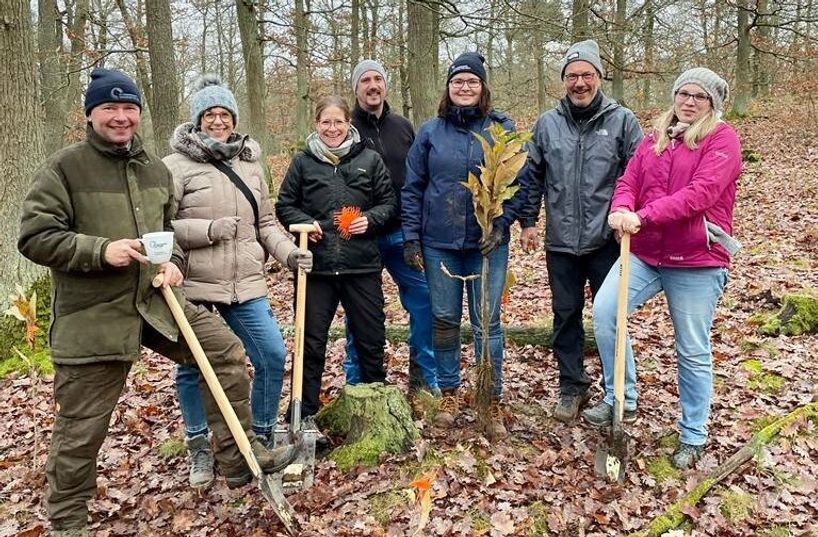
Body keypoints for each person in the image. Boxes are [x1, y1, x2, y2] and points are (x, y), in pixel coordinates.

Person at [17, 68, 296, 537]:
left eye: (129, 109)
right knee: (83, 425)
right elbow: (35, 236)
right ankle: (67, 522)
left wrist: (175, 263)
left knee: (223, 351)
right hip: (94, 310)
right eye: (110, 108)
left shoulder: (153, 169)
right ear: (91, 114)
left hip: (155, 295)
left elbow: (168, 231)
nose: (121, 117)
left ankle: (238, 457)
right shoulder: (65, 167)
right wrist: (100, 250)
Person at [581, 68, 742, 470]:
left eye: (699, 97)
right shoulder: (657, 137)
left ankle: (693, 433)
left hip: (697, 258)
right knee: (604, 312)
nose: (688, 102)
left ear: (712, 104)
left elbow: (700, 194)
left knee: (691, 346)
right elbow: (629, 179)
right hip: (645, 253)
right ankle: (621, 398)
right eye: (683, 94)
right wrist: (621, 206)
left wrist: (644, 216)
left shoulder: (723, 139)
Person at [163, 75, 312, 489]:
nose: (217, 121)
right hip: (194, 285)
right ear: (197, 120)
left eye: (224, 114)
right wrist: (208, 229)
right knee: (196, 367)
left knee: (270, 355)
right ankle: (199, 446)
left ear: (234, 118)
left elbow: (265, 222)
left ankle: (259, 435)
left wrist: (288, 253)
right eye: (209, 114)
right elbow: (161, 226)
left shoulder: (249, 162)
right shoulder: (175, 166)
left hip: (245, 284)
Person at [512, 40, 643, 423]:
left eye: (587, 75)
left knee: (610, 318)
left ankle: (617, 391)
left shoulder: (622, 121)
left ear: (599, 77)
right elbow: (531, 175)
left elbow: (638, 176)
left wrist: (628, 215)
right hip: (561, 242)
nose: (580, 82)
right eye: (572, 76)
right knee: (565, 315)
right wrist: (529, 222)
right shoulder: (548, 124)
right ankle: (571, 387)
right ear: (564, 80)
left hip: (607, 240)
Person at [402, 52, 516, 439]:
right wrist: (412, 238)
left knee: (488, 324)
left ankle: (490, 397)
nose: (464, 88)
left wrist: (500, 224)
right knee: (446, 320)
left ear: (483, 87)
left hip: (488, 242)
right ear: (448, 88)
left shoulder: (500, 129)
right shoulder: (430, 132)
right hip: (439, 243)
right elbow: (413, 188)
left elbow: (519, 182)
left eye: (472, 82)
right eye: (457, 82)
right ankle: (450, 392)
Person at [275, 95, 395, 421]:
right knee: (310, 343)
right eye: (326, 122)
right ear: (317, 124)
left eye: (338, 122)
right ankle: (305, 414)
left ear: (348, 124)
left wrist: (371, 219)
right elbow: (284, 205)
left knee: (371, 339)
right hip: (317, 269)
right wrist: (303, 223)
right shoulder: (303, 163)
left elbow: (389, 203)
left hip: (361, 266)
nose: (332, 128)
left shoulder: (369, 160)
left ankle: (375, 410)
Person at [342, 60, 438, 396]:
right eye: (365, 80)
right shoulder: (345, 129)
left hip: (402, 233)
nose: (372, 85)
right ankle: (358, 381)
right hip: (360, 235)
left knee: (424, 298)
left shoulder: (403, 127)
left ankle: (423, 376)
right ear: (356, 89)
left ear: (386, 85)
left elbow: (418, 177)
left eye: (377, 79)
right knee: (361, 309)